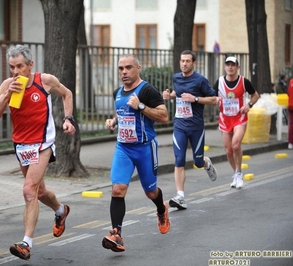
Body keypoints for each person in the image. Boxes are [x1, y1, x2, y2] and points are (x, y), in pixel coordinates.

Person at [0, 45, 76, 261]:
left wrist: (68, 119)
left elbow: (67, 94)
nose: (16, 71)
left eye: (20, 66)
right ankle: (60, 211)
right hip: (21, 144)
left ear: (30, 65)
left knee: (29, 190)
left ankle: (26, 244)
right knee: (39, 192)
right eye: (12, 67)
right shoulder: (7, 85)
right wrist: (6, 95)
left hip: (42, 143)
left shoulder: (44, 80)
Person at [102, 54, 170, 253]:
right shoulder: (117, 92)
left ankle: (161, 209)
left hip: (145, 148)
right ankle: (116, 234)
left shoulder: (147, 90)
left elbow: (164, 116)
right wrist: (113, 121)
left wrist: (140, 106)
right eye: (121, 68)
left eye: (128, 67)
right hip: (123, 148)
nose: (124, 72)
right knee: (117, 189)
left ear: (138, 68)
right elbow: (121, 110)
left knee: (151, 192)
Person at [162, 50, 218, 210]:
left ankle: (207, 164)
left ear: (194, 63)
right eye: (182, 61)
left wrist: (195, 99)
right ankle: (180, 196)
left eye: (187, 61)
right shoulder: (176, 77)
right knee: (179, 160)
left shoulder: (200, 80)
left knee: (197, 162)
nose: (184, 63)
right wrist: (170, 96)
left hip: (196, 127)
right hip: (179, 125)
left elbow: (214, 100)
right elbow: (177, 93)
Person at [213, 56, 259, 188]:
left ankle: (238, 173)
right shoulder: (220, 82)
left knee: (236, 145)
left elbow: (255, 95)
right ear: (224, 67)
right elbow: (211, 96)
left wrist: (248, 105)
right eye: (228, 64)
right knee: (228, 151)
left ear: (238, 67)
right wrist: (215, 100)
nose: (230, 67)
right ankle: (236, 173)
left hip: (239, 117)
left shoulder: (244, 81)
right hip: (224, 118)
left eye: (233, 65)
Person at [287, 77, 293, 149]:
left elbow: (288, 93)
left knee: (291, 124)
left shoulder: (291, 81)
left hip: (290, 105)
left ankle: (290, 142)